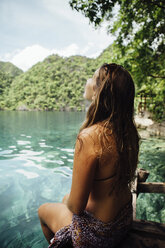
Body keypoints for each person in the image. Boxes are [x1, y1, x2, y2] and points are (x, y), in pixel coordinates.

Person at [38, 63, 139, 248]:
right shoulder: (128, 132)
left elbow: (76, 206)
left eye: (92, 78)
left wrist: (69, 198)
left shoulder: (89, 137)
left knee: (43, 211)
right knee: (64, 201)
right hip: (123, 220)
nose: (87, 81)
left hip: (99, 235)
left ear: (100, 91)